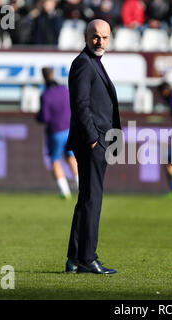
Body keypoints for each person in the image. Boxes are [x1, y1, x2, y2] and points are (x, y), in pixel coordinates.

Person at [65, 19, 121, 274]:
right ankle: (88, 258)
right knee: (92, 201)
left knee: (86, 199)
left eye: (105, 37)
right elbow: (80, 105)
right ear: (86, 36)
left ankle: (75, 259)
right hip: (92, 142)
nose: (100, 42)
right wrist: (93, 139)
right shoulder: (83, 64)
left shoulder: (92, 63)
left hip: (97, 140)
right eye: (95, 36)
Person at [36, 67, 78, 200]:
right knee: (71, 157)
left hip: (55, 132)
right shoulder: (65, 90)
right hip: (69, 129)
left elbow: (45, 117)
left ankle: (64, 191)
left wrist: (37, 117)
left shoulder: (45, 95)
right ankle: (81, 187)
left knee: (54, 159)